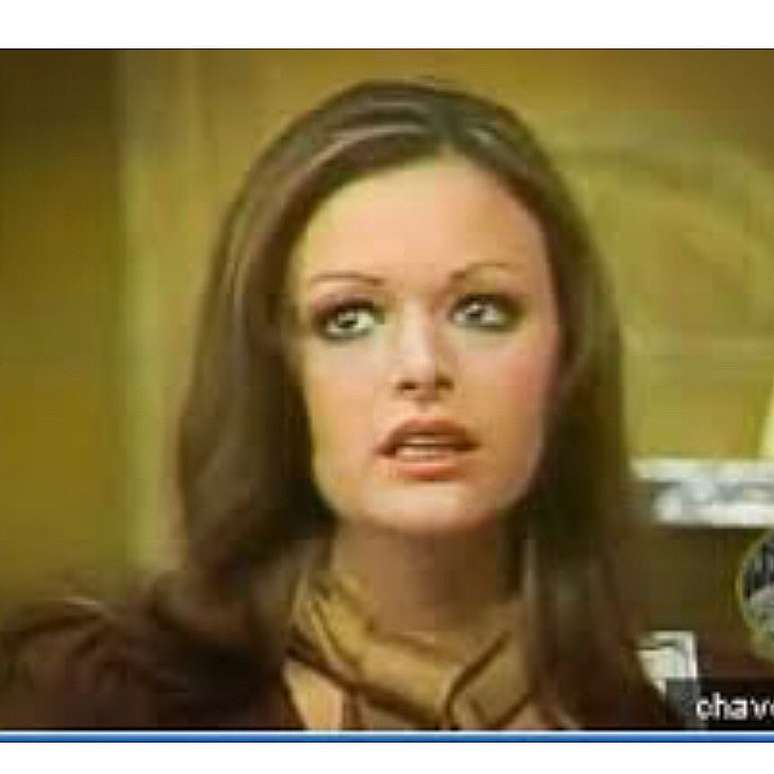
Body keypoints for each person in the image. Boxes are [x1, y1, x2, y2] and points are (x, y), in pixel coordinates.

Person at [0, 79, 680, 730]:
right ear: (277, 371)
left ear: (568, 353)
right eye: (349, 319)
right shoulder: (92, 702)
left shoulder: (686, 717)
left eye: (482, 310)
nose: (422, 367)